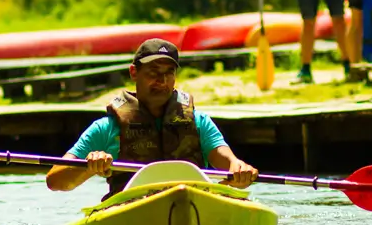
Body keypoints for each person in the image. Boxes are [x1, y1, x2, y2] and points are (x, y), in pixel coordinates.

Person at [46, 39, 258, 198]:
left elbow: (229, 162)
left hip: (193, 206)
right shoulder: (106, 128)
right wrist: (88, 166)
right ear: (134, 73)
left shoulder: (199, 122)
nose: (162, 80)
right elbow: (55, 181)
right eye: (153, 72)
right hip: (130, 213)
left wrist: (240, 171)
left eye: (169, 72)